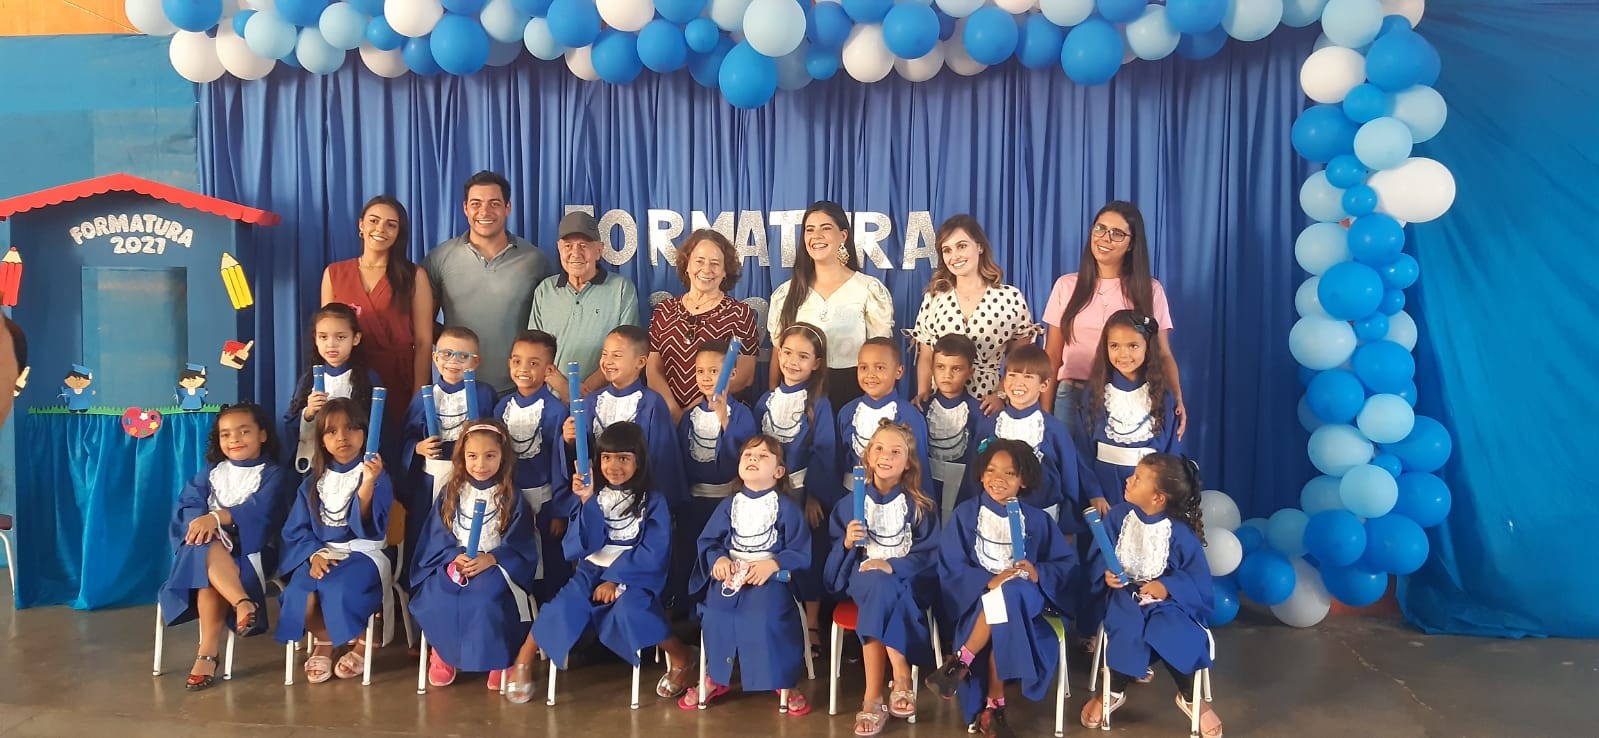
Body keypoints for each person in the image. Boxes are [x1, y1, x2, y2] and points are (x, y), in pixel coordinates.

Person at [926, 439, 1077, 737]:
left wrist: (1038, 572)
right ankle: (995, 706)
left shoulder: (1038, 521)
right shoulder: (966, 516)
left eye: (1010, 473)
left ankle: (961, 660)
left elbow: (1065, 566)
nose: (998, 479)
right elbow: (950, 566)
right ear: (981, 474)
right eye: (992, 470)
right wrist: (987, 580)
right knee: (1001, 613)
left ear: (1023, 480)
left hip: (1029, 604)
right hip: (979, 601)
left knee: (1011, 592)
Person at [1079, 454, 1220, 738]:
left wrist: (1167, 586)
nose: (1129, 480)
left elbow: (1196, 579)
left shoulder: (1179, 534)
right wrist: (1106, 575)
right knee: (1128, 626)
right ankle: (1113, 690)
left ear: (1157, 498)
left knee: (1171, 629)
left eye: (1138, 478)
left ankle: (1191, 696)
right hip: (1124, 594)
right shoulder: (1118, 517)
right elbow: (1098, 557)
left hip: (1166, 601)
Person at [156, 403, 294, 691]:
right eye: (226, 434)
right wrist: (202, 523)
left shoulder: (273, 474)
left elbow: (262, 512)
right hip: (208, 552)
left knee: (202, 562)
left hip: (252, 551)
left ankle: (206, 654)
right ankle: (242, 603)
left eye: (244, 431)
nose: (235, 440)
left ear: (263, 435)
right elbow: (188, 507)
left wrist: (215, 517)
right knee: (202, 549)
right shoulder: (211, 473)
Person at [681, 435, 813, 714]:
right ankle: (716, 677)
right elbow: (709, 541)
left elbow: (800, 550)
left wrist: (774, 564)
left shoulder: (787, 508)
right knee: (715, 614)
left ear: (778, 472)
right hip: (731, 578)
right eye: (748, 455)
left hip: (771, 580)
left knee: (768, 617)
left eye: (763, 456)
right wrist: (717, 559)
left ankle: (784, 680)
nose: (753, 459)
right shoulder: (729, 505)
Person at [824, 421, 938, 736]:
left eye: (895, 451)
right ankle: (901, 676)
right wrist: (847, 543)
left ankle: (872, 699)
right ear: (868, 455)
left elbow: (929, 557)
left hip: (907, 582)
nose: (886, 456)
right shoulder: (849, 505)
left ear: (909, 463)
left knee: (883, 584)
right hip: (861, 580)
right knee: (875, 580)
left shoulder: (920, 506)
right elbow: (834, 575)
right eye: (879, 448)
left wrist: (894, 567)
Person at [410, 420, 539, 689]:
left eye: (490, 456)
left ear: (503, 457)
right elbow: (435, 536)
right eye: (472, 456)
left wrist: (491, 558)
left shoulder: (510, 496)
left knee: (484, 598)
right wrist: (453, 555)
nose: (481, 464)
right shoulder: (451, 492)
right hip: (454, 560)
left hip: (495, 564)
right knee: (440, 595)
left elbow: (520, 542)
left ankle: (498, 658)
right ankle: (444, 655)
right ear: (462, 457)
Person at [1042, 201, 1186, 441]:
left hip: (1128, 397)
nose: (1105, 238)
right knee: (1068, 473)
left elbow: (1163, 354)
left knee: (1119, 474)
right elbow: (1052, 354)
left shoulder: (1150, 290)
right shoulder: (1066, 286)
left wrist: (1178, 398)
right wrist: (1045, 413)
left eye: (1117, 234)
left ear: (1132, 244)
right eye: (1100, 229)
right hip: (1071, 397)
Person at [275, 398, 394, 683]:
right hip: (322, 553)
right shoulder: (313, 482)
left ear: (364, 433)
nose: (342, 437)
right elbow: (297, 530)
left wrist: (367, 484)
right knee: (297, 595)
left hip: (362, 555)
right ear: (321, 440)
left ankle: (352, 644)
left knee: (335, 586)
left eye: (351, 428)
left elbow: (368, 524)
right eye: (331, 431)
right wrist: (315, 555)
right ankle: (332, 638)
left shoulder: (376, 475)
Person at [423, 171, 554, 392]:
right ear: (465, 208)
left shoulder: (535, 260)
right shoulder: (440, 258)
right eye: (476, 203)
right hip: (460, 391)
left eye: (494, 203)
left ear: (508, 207)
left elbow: (548, 329)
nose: (484, 211)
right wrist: (454, 348)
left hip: (518, 392)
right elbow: (423, 324)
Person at [754, 322, 839, 657]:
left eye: (803, 356)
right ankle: (781, 618)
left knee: (810, 555)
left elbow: (825, 450)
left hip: (804, 494)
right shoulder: (764, 401)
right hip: (771, 495)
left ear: (816, 363)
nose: (793, 361)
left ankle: (814, 622)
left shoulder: (819, 403)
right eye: (787, 352)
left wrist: (815, 495)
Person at [769, 202, 894, 409]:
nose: (816, 235)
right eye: (810, 229)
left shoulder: (868, 290)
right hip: (801, 395)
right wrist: (774, 395)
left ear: (843, 236)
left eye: (825, 228)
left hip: (854, 393)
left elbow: (880, 352)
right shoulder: (787, 293)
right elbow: (778, 350)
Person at [321, 195, 435, 424]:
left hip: (398, 379)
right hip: (349, 381)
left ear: (398, 233)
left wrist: (419, 397)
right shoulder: (334, 274)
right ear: (361, 225)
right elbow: (327, 335)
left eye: (391, 224)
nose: (380, 229)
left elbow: (424, 341)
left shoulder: (414, 276)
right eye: (374, 221)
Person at [910, 215, 1038, 413]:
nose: (955, 256)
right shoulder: (933, 298)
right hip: (943, 404)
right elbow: (926, 356)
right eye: (947, 250)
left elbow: (1019, 357)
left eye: (961, 246)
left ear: (979, 246)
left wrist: (1001, 395)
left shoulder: (1009, 297)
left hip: (988, 403)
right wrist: (923, 394)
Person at [969, 345, 1095, 532]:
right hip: (993, 521)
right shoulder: (990, 425)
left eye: (1028, 377)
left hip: (1043, 523)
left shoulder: (1055, 430)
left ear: (1044, 384)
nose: (1018, 383)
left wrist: (1067, 529)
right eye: (1012, 375)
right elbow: (973, 476)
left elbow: (1070, 481)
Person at [673, 341, 758, 610]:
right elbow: (679, 462)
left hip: (727, 503)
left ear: (731, 374)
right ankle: (688, 611)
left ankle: (719, 607)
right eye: (700, 372)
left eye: (714, 371)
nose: (706, 378)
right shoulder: (689, 417)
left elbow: (744, 457)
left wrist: (724, 420)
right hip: (694, 501)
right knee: (689, 554)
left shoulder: (742, 414)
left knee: (721, 557)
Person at [564, 326, 686, 510]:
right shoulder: (591, 401)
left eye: (617, 355)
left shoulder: (652, 403)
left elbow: (663, 459)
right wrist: (568, 439)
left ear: (641, 362)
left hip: (639, 498)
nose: (608, 361)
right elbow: (583, 451)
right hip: (596, 494)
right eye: (604, 354)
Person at [494, 330, 574, 603]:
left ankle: (551, 633)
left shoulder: (555, 410)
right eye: (516, 361)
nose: (523, 369)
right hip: (509, 499)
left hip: (544, 499)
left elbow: (560, 463)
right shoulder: (501, 406)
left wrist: (559, 510)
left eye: (533, 363)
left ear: (549, 369)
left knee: (550, 566)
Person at [528, 211, 640, 402]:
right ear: (559, 248)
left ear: (599, 250)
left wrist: (584, 391)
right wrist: (564, 388)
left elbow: (628, 351)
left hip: (606, 400)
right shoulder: (545, 290)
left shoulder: (621, 289)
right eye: (568, 246)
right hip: (551, 402)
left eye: (583, 246)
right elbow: (533, 351)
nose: (575, 253)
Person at [648, 229, 759, 421]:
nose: (706, 269)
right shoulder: (664, 310)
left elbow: (744, 376)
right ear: (687, 265)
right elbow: (653, 369)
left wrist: (696, 410)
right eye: (699, 261)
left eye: (715, 263)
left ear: (725, 271)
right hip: (666, 415)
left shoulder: (740, 314)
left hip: (715, 417)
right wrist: (673, 410)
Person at [399, 326, 498, 522]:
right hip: (431, 478)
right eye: (446, 354)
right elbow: (407, 436)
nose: (453, 361)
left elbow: (496, 437)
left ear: (475, 362)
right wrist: (418, 447)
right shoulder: (424, 396)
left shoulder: (485, 394)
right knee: (426, 526)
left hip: (472, 475)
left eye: (463, 356)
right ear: (435, 358)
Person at [1085, 311, 1180, 514]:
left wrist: (1160, 493)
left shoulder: (1162, 397)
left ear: (1147, 348)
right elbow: (1082, 451)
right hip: (1105, 488)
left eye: (1133, 346)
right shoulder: (1094, 395)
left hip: (1148, 490)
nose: (1123, 354)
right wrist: (1095, 493)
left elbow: (1172, 453)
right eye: (1114, 346)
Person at [836, 338, 935, 506]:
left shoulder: (910, 416)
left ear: (899, 371)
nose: (870, 375)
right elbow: (837, 463)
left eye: (880, 368)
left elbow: (920, 469)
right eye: (863, 367)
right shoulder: (847, 413)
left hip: (896, 501)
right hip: (852, 498)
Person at [283, 303, 379, 473]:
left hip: (355, 462)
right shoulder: (308, 380)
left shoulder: (368, 378)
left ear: (355, 338)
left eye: (340, 337)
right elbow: (289, 424)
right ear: (315, 338)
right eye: (323, 337)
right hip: (316, 464)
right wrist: (309, 412)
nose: (331, 345)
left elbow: (379, 425)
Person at [923, 334, 983, 521]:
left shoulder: (978, 412)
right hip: (927, 482)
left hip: (963, 486)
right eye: (941, 367)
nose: (947, 375)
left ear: (970, 372)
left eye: (956, 368)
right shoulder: (920, 408)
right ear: (932, 368)